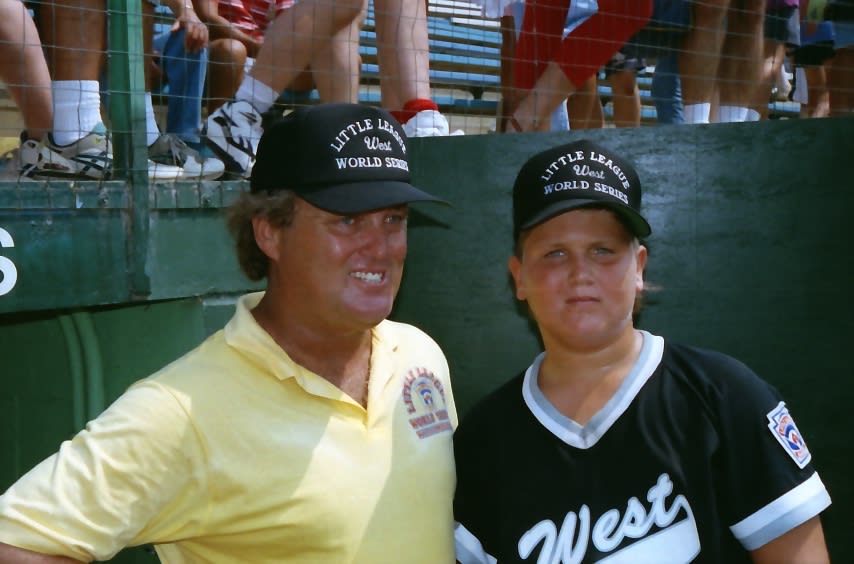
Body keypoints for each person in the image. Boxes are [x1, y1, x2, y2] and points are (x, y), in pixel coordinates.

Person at [0, 103, 458, 563]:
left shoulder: (420, 355)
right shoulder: (183, 411)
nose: (380, 247)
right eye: (347, 220)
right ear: (270, 233)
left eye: (393, 219)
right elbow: (15, 543)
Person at [453, 139, 832, 563]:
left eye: (603, 251)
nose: (581, 273)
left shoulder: (724, 396)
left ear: (639, 267)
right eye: (555, 253)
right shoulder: (484, 440)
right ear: (519, 278)